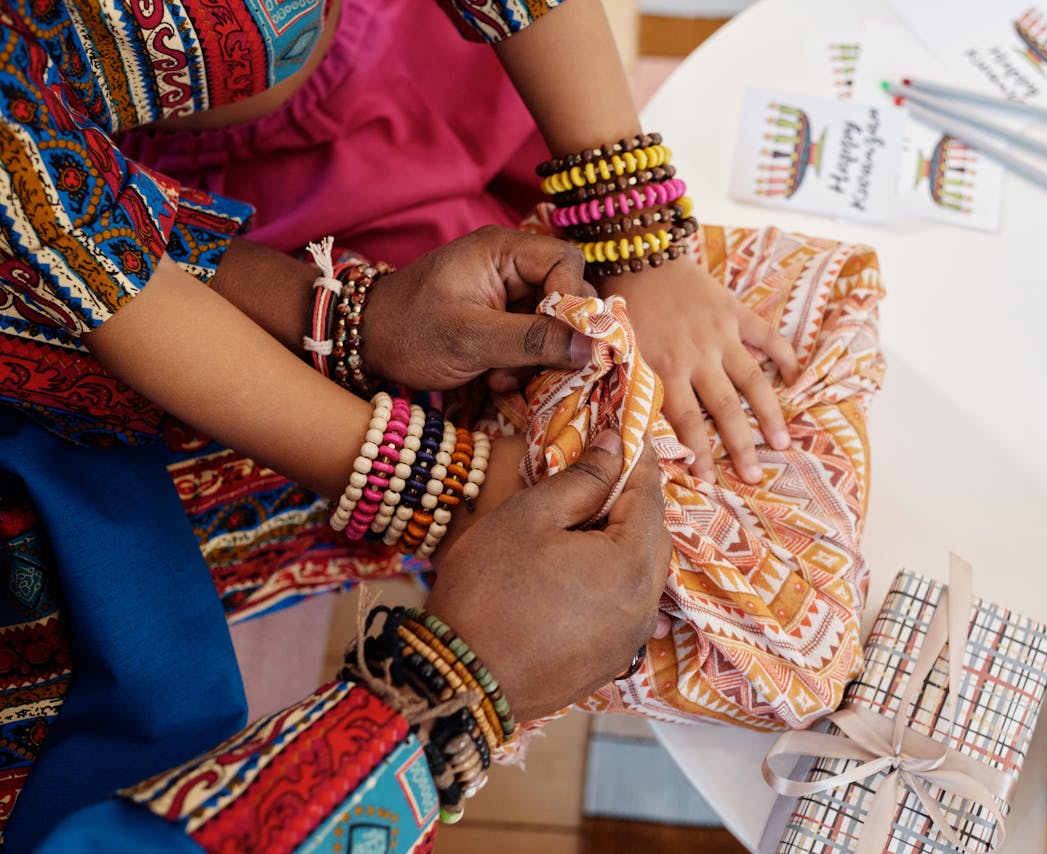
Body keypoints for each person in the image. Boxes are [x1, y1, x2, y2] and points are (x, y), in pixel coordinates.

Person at [0, 0, 883, 849]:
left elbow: (75, 224)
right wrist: (447, 678)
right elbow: (62, 236)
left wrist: (630, 230)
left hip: (281, 176)